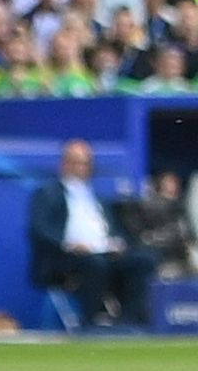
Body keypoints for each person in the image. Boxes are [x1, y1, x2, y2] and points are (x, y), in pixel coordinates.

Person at [31, 140, 149, 329]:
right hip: (68, 257)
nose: (80, 168)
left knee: (141, 261)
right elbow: (39, 229)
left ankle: (132, 322)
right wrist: (68, 244)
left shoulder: (98, 198)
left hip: (104, 253)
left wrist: (117, 244)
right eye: (76, 162)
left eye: (85, 163)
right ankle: (92, 321)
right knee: (95, 263)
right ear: (64, 164)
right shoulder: (46, 194)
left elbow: (115, 229)